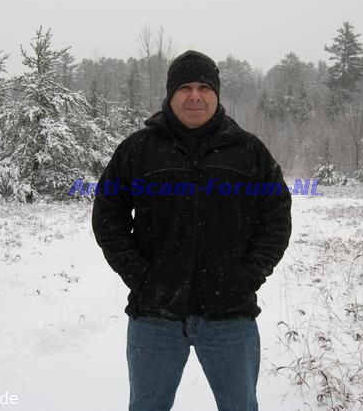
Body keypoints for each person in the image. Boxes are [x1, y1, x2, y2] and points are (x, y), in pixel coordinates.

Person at [92, 50, 292, 411]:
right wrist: (142, 277)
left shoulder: (248, 151)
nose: (195, 96)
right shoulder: (139, 150)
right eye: (185, 88)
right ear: (171, 94)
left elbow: (275, 218)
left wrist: (247, 277)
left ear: (216, 94)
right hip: (155, 315)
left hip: (230, 313)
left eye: (204, 88)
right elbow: (109, 215)